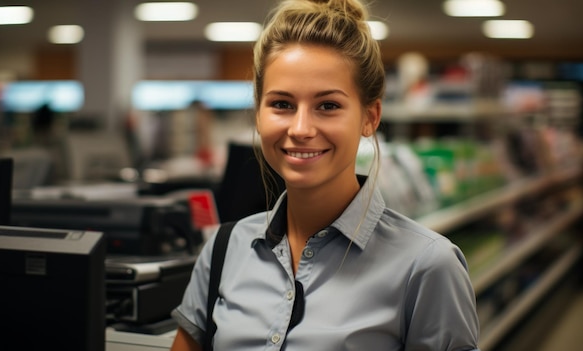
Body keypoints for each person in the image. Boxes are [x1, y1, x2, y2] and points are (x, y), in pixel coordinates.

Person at [170, 0, 481, 350]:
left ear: (370, 116)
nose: (301, 128)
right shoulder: (226, 249)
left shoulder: (426, 266)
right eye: (282, 104)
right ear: (258, 113)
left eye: (328, 106)